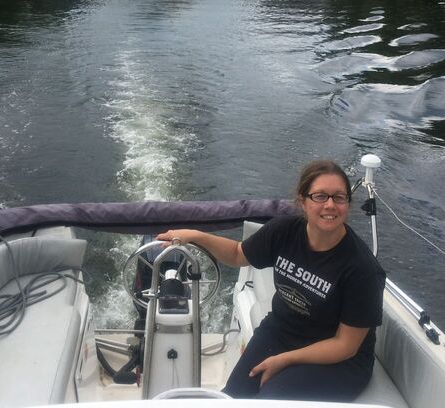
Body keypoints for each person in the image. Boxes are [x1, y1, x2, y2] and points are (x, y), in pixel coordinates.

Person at [156, 159, 385, 401]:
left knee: (270, 401)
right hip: (281, 331)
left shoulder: (362, 269)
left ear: (348, 203)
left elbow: (345, 345)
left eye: (339, 197)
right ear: (303, 201)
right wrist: (195, 236)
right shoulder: (285, 231)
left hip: (338, 360)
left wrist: (285, 360)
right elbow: (238, 254)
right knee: (233, 398)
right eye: (320, 196)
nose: (330, 205)